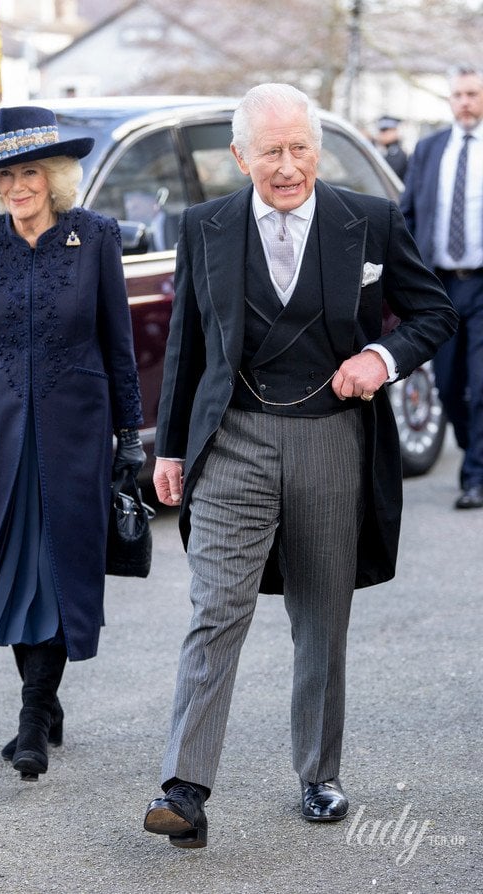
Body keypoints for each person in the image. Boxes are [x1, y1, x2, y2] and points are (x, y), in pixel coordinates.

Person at [142, 83, 457, 848]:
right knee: (217, 608)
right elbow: (188, 341)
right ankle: (184, 788)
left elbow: (432, 312)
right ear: (240, 156)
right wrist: (173, 446)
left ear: (317, 147)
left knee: (321, 615)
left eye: (301, 149)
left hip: (330, 437)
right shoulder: (206, 226)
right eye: (272, 152)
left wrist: (380, 359)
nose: (289, 167)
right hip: (236, 438)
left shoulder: (369, 219)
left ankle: (319, 773)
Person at [0, 106, 145, 781]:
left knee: (57, 574)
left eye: (31, 172)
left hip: (74, 433)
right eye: (7, 175)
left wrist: (129, 436)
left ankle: (30, 721)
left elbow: (120, 346)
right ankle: (43, 703)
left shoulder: (96, 237)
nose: (18, 185)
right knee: (12, 576)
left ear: (56, 175)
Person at [401, 64, 483, 509]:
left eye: (472, 93)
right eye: (458, 95)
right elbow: (408, 215)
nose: (465, 102)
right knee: (449, 385)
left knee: (482, 383)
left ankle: (475, 475)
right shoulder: (429, 150)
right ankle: (476, 453)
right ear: (449, 100)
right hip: (442, 287)